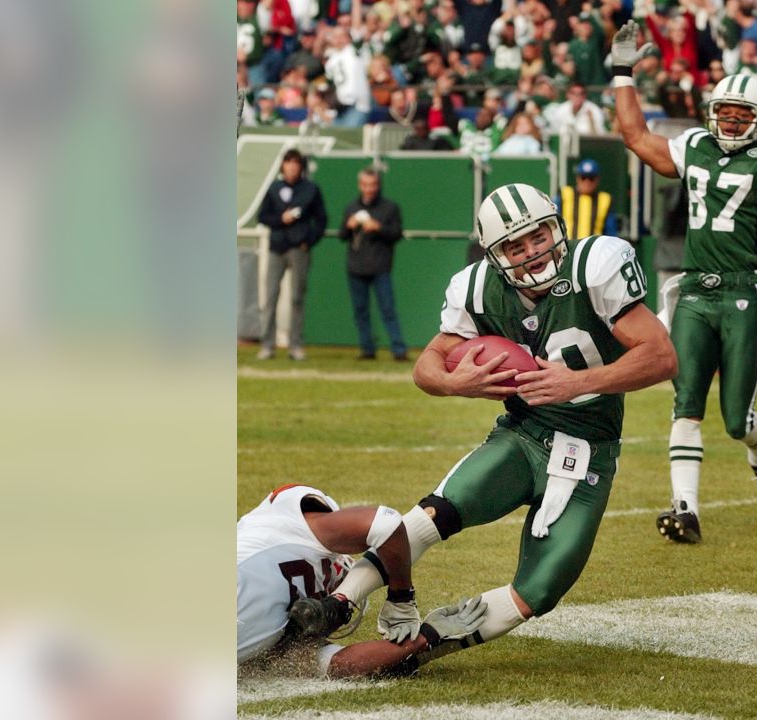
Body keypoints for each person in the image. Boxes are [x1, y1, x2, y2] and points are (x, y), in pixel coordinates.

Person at [328, 182, 676, 666]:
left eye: (539, 235)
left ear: (557, 226)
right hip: (523, 433)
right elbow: (427, 364)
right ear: (495, 255)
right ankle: (340, 600)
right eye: (516, 245)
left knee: (540, 588)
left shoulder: (594, 266)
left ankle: (425, 645)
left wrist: (577, 383)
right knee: (441, 511)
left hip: (588, 447)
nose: (533, 251)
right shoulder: (477, 288)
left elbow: (661, 356)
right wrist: (457, 384)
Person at [611, 21, 757, 542]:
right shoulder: (693, 146)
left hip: (741, 291)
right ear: (712, 113)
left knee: (737, 420)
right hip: (692, 291)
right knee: (686, 400)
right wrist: (623, 73)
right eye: (725, 115)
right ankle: (684, 510)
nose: (731, 124)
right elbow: (635, 136)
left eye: (741, 116)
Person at [237, 482, 490, 678]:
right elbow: (385, 523)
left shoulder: (284, 636)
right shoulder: (292, 526)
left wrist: (427, 637)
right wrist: (401, 596)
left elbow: (340, 664)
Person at [258, 149, 328, 361]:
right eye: (288, 163)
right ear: (283, 166)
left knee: (297, 298)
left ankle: (295, 345)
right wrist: (281, 219)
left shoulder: (310, 189)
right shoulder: (274, 188)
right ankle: (267, 345)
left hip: (299, 249)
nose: (291, 167)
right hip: (276, 247)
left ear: (301, 167)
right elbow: (263, 217)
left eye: (295, 164)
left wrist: (309, 240)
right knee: (270, 297)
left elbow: (322, 219)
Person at [340, 168, 409, 361]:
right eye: (365, 185)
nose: (369, 189)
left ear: (378, 185)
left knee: (388, 309)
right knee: (360, 311)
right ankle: (367, 349)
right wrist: (349, 225)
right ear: (360, 185)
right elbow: (341, 235)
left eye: (372, 185)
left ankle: (398, 349)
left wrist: (378, 228)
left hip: (380, 267)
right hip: (356, 267)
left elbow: (397, 233)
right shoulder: (351, 207)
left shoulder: (389, 208)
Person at [556, 157, 619, 239]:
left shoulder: (605, 200)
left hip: (594, 249)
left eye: (591, 178)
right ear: (577, 178)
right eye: (583, 177)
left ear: (597, 180)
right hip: (568, 247)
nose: (587, 182)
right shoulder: (565, 194)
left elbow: (611, 232)